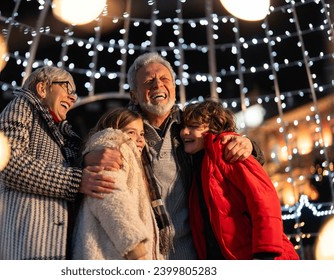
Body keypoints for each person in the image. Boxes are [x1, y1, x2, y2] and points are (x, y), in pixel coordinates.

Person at [83, 52, 265, 259]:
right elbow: (96, 153)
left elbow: (228, 146)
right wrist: (87, 158)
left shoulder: (192, 126)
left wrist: (250, 146)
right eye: (149, 81)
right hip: (144, 252)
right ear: (134, 95)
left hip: (197, 250)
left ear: (174, 88)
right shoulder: (122, 129)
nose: (157, 85)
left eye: (164, 79)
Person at [0, 66, 114, 260]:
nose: (73, 98)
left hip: (49, 250)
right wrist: (75, 181)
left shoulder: (59, 133)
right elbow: (5, 163)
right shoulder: (23, 106)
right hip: (22, 249)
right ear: (42, 89)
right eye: (68, 89)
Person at [180, 100, 299, 260]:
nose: (184, 132)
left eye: (193, 126)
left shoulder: (228, 150)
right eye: (184, 127)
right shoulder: (198, 165)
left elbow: (263, 198)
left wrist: (265, 252)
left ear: (213, 128)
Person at [72, 108, 164, 260]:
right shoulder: (113, 149)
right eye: (131, 132)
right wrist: (136, 248)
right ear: (114, 130)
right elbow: (110, 197)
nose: (140, 139)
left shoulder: (133, 158)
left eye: (141, 133)